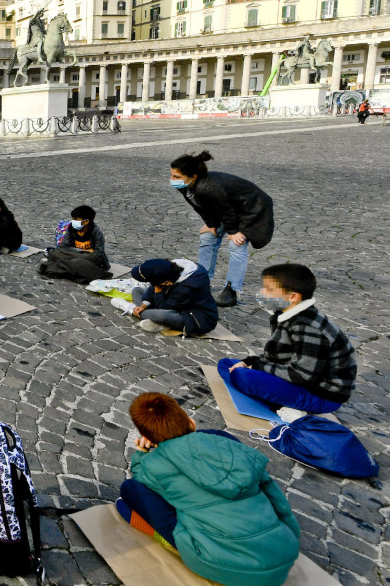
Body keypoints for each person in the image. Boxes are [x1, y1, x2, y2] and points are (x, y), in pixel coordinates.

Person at [117, 392, 300, 586]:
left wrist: (142, 454)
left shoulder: (153, 464)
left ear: (146, 436)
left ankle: (171, 540)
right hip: (282, 555)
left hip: (220, 563)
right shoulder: (226, 442)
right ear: (190, 421)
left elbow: (140, 479)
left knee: (131, 488)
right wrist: (291, 532)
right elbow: (272, 491)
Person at [218, 263, 356, 420]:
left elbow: (302, 376)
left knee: (242, 376)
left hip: (321, 394)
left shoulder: (307, 327)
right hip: (296, 377)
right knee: (227, 365)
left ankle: (283, 406)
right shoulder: (286, 314)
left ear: (293, 297)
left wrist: (256, 367)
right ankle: (277, 400)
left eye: (269, 290)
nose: (262, 293)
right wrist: (248, 361)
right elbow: (278, 357)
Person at [170, 151, 274, 307]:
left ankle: (232, 290)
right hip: (229, 209)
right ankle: (201, 281)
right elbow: (198, 206)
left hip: (251, 210)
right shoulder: (185, 185)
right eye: (171, 175)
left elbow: (227, 211)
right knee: (207, 237)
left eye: (176, 177)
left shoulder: (208, 187)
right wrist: (211, 224)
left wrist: (233, 232)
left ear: (193, 176)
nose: (172, 180)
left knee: (236, 245)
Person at [122, 258, 218, 335]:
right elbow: (153, 286)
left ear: (166, 282)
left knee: (156, 314)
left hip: (193, 317)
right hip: (174, 303)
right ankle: (150, 315)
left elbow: (164, 308)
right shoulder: (169, 268)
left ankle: (136, 311)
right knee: (136, 291)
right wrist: (143, 305)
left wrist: (158, 291)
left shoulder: (188, 286)